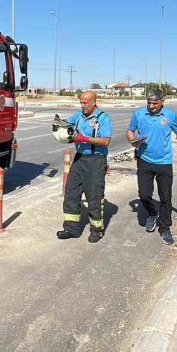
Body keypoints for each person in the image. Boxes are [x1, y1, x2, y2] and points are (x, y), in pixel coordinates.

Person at [126, 89, 177, 245]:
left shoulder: (170, 115)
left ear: (162, 101)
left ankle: (165, 228)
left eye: (155, 103)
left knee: (165, 197)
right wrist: (133, 140)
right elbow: (130, 131)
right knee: (144, 194)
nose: (151, 106)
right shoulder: (139, 114)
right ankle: (152, 212)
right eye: (149, 103)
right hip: (144, 160)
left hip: (164, 162)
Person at [57, 90, 113, 243]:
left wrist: (85, 138)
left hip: (96, 160)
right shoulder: (79, 116)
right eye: (81, 102)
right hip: (80, 158)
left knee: (94, 196)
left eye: (85, 103)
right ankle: (71, 228)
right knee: (71, 192)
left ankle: (96, 229)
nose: (82, 105)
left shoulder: (103, 118)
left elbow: (106, 141)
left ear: (94, 102)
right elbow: (68, 123)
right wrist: (60, 123)